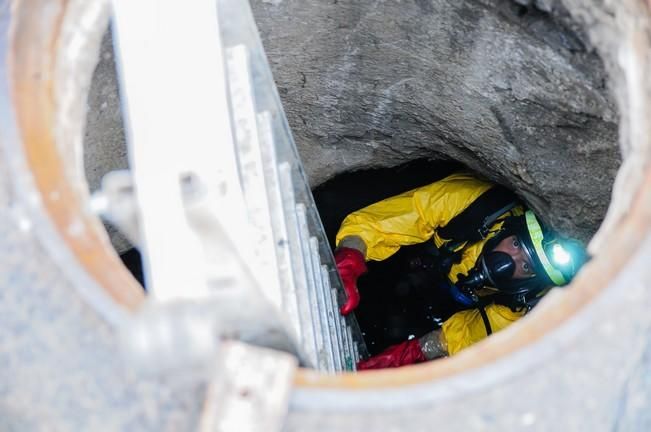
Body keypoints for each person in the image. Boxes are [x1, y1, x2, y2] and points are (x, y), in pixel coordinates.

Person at [333, 171, 587, 369]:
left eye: (526, 265)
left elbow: (468, 335)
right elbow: (389, 220)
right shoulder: (475, 204)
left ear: (532, 281)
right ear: (509, 228)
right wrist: (350, 258)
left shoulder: (521, 304)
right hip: (415, 261)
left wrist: (410, 354)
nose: (509, 260)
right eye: (517, 243)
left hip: (448, 301)